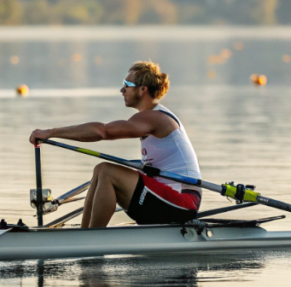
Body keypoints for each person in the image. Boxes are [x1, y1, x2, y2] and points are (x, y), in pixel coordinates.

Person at [29, 61, 202, 228]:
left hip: (183, 202)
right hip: (164, 196)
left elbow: (103, 131)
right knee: (99, 170)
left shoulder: (154, 117)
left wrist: (51, 132)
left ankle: (92, 240)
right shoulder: (151, 116)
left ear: (143, 89)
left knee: (107, 171)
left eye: (127, 84)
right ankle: (85, 234)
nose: (122, 90)